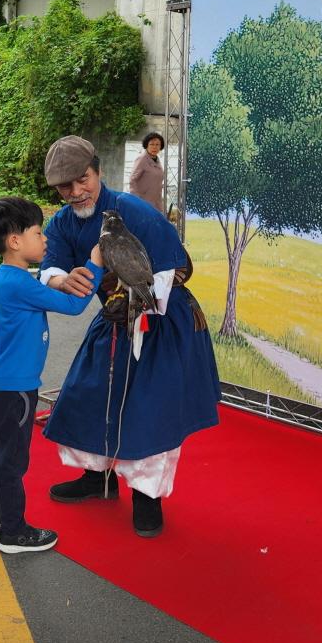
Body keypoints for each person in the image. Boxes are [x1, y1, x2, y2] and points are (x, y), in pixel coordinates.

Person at [38, 136, 221, 537]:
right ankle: (96, 480)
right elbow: (48, 266)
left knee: (149, 411)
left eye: (81, 180)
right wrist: (62, 279)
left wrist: (139, 305)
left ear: (99, 171)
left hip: (161, 319)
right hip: (114, 319)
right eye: (64, 187)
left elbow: (173, 268)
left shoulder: (133, 210)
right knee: (87, 395)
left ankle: (146, 497)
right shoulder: (64, 223)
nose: (74, 192)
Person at [0, 197, 106, 555]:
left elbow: (51, 288)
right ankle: (13, 531)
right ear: (15, 241)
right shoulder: (20, 284)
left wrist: (65, 278)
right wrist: (96, 265)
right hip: (17, 388)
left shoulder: (10, 278)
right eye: (37, 232)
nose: (44, 239)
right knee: (12, 460)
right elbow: (75, 306)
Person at [128, 131, 165, 213]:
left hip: (156, 204)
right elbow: (132, 180)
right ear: (146, 145)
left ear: (161, 146)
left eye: (157, 145)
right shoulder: (142, 159)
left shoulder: (157, 160)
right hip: (142, 204)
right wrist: (137, 201)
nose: (154, 147)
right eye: (152, 144)